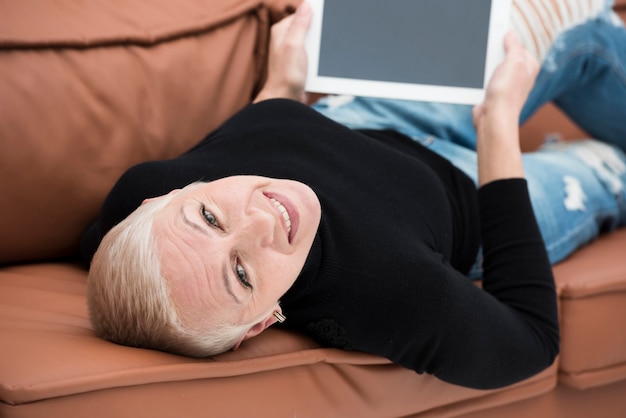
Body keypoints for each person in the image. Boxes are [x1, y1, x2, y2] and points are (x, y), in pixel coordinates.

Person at [81, 0, 626, 390]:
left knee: (577, 13)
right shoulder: (389, 295)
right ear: (263, 322)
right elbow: (530, 341)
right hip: (479, 189)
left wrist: (281, 90)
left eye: (208, 215)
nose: (263, 221)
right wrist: (498, 124)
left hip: (368, 120)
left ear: (161, 198)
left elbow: (232, 149)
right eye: (242, 273)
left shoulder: (140, 199)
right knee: (614, 161)